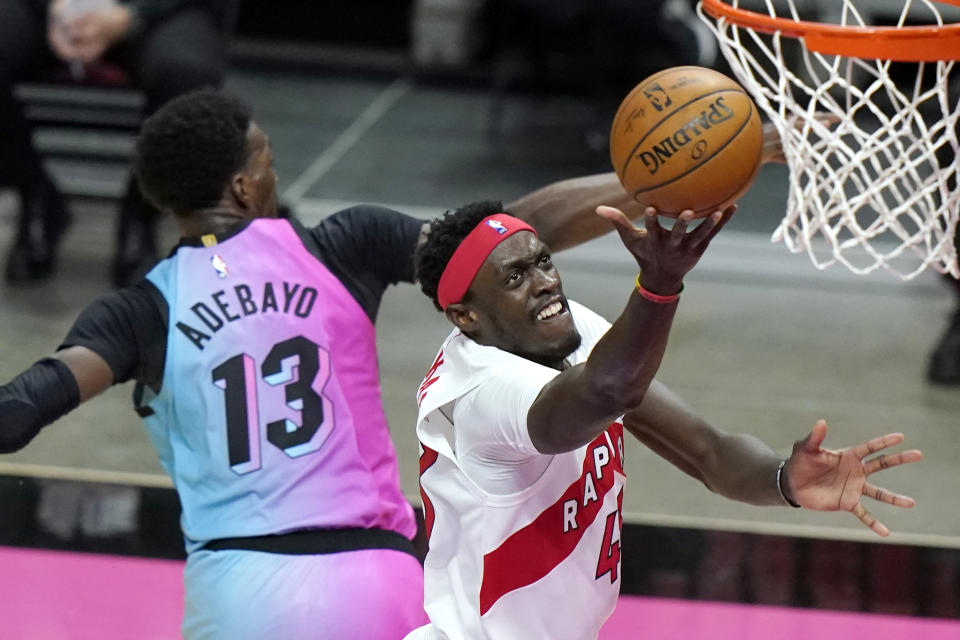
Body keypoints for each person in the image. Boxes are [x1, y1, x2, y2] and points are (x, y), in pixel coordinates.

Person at [0, 87, 730, 638]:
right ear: (244, 189)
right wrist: (677, 172)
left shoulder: (137, 314)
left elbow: (30, 403)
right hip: (377, 580)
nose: (273, 172)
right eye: (268, 161)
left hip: (245, 589)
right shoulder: (342, 246)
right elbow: (492, 243)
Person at [406, 201, 923, 639]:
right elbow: (604, 392)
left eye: (543, 261)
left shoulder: (564, 328)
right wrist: (658, 286)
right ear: (465, 317)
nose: (544, 284)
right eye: (515, 277)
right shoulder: (477, 393)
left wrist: (783, 478)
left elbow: (707, 450)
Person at [0, 0, 231, 287]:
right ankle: (36, 193)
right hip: (44, 9)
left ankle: (141, 213)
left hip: (162, 12)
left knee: (187, 73)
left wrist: (130, 14)